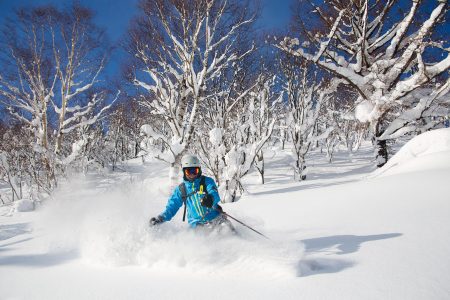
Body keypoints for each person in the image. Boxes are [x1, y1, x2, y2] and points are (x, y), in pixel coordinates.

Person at [149, 154, 234, 232]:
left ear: (199, 170)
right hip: (196, 224)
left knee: (227, 231)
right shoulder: (181, 189)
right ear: (184, 172)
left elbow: (214, 193)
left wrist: (210, 198)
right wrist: (161, 218)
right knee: (201, 243)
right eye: (189, 172)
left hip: (215, 218)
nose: (192, 174)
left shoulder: (207, 181)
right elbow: (172, 206)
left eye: (195, 171)